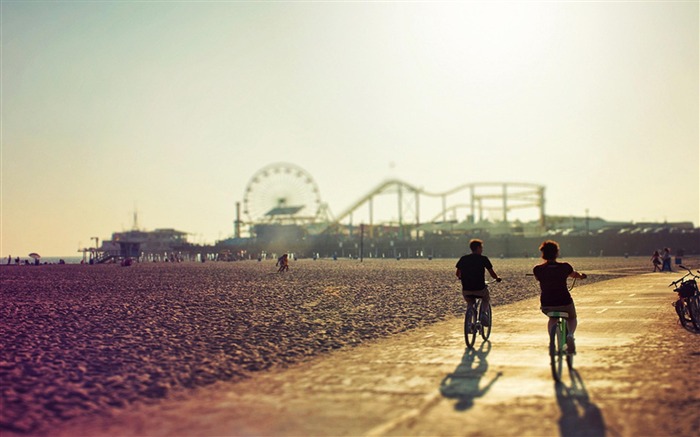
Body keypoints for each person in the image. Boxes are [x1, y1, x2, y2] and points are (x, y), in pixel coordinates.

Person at [533, 240, 586, 354]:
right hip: (564, 301)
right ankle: (570, 335)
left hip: (547, 304)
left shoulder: (537, 269)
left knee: (552, 318)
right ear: (556, 253)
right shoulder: (565, 267)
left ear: (543, 254)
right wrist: (581, 276)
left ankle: (552, 340)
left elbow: (538, 278)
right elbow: (575, 275)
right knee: (572, 318)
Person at [455, 239, 502, 325]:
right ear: (478, 248)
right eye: (481, 248)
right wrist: (497, 278)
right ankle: (483, 313)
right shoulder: (483, 259)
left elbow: (458, 273)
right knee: (486, 298)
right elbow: (492, 273)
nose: (482, 249)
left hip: (466, 289)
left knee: (470, 302)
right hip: (479, 289)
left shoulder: (463, 259)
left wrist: (462, 278)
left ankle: (469, 322)